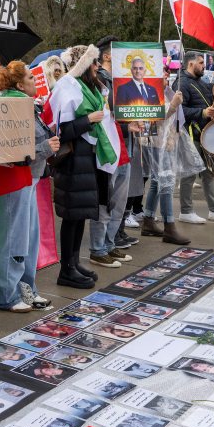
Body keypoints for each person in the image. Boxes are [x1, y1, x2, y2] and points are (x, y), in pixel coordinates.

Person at [0, 61, 59, 312]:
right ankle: (7, 295)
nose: (35, 80)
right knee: (13, 238)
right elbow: (11, 150)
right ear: (20, 84)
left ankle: (26, 289)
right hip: (16, 179)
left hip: (28, 178)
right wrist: (45, 147)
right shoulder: (12, 105)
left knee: (28, 238)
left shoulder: (26, 105)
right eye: (31, 77)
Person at [52, 45, 109, 289]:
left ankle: (74, 263)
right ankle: (66, 269)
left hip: (87, 158)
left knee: (81, 215)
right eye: (93, 63)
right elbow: (61, 130)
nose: (97, 67)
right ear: (83, 66)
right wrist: (88, 120)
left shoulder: (87, 87)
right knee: (71, 217)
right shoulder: (67, 87)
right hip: (73, 161)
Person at [87, 38, 135, 267]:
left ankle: (109, 244)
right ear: (106, 56)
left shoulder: (120, 80)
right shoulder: (98, 82)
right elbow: (105, 118)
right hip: (108, 151)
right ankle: (98, 249)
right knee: (105, 203)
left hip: (123, 148)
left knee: (119, 203)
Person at [175, 51, 214, 224]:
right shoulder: (181, 83)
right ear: (190, 64)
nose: (204, 66)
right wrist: (202, 112)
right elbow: (178, 111)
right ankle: (186, 211)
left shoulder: (199, 82)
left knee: (208, 173)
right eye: (201, 63)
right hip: (189, 134)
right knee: (189, 173)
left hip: (202, 134)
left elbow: (207, 105)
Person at [141, 72, 188, 243]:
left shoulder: (165, 91)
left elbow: (173, 120)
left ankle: (148, 220)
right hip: (154, 143)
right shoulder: (147, 92)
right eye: (162, 73)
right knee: (166, 183)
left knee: (157, 181)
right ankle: (169, 226)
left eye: (167, 74)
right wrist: (173, 106)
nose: (166, 76)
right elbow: (154, 118)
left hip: (163, 142)